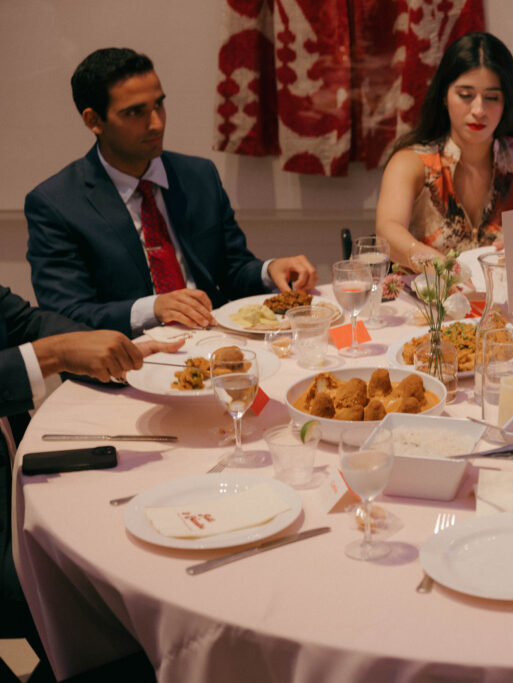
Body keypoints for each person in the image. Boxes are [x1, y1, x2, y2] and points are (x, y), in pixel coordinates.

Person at [25, 48, 317, 338]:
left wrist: (269, 270)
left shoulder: (198, 176)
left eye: (159, 105)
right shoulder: (57, 204)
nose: (157, 123)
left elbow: (232, 270)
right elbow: (68, 315)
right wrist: (153, 308)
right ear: (94, 121)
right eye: (135, 112)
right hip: (127, 360)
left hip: (214, 345)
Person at [2, 284, 182, 682]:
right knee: (122, 570)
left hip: (13, 472)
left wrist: (111, 346)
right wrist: (55, 354)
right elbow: (46, 346)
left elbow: (24, 321)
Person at [375, 32, 513, 270]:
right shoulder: (413, 161)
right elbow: (387, 231)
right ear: (445, 96)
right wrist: (428, 259)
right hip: (429, 303)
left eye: (492, 97)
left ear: (506, 101)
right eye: (466, 95)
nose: (479, 110)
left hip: (502, 301)